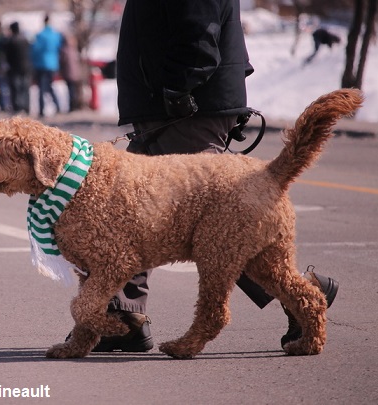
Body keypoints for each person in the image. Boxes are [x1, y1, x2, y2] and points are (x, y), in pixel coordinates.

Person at [84, 0, 340, 353]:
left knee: (222, 221)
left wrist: (179, 87)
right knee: (135, 214)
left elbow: (198, 26)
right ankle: (124, 317)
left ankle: (300, 293)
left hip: (185, 105)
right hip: (167, 104)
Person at [31, 14, 63, 117]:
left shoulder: (40, 35)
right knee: (49, 86)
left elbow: (35, 50)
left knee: (41, 87)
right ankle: (57, 106)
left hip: (41, 64)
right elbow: (58, 48)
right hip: (53, 64)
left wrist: (33, 61)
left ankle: (41, 109)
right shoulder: (56, 35)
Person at [4, 21, 32, 114]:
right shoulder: (25, 39)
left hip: (14, 69)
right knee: (25, 88)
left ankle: (17, 108)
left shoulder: (10, 41)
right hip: (26, 67)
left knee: (15, 89)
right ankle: (26, 107)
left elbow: (7, 57)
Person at [59, 33, 82, 112]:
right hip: (76, 74)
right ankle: (76, 105)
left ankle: (72, 106)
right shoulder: (74, 49)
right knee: (74, 90)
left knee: (70, 90)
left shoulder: (64, 50)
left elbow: (62, 61)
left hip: (68, 74)